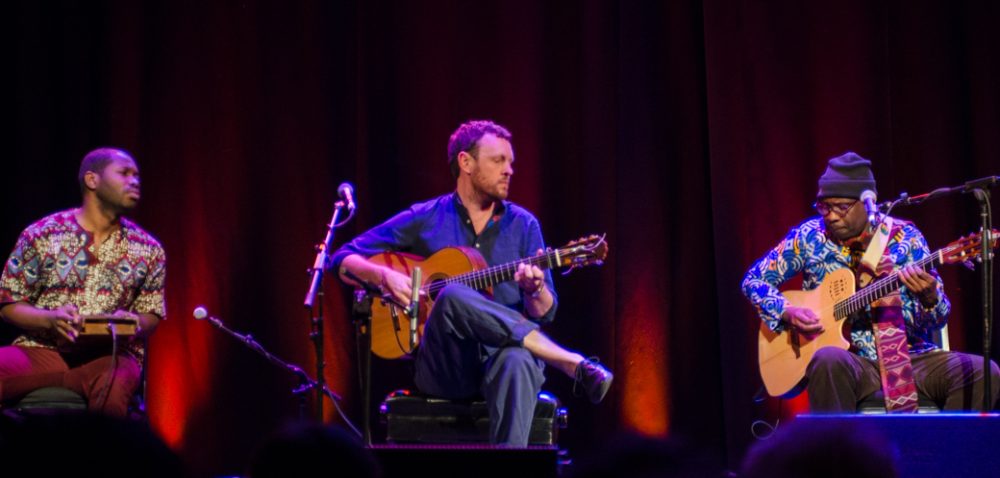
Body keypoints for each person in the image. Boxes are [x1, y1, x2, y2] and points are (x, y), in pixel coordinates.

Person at [331, 120, 613, 446]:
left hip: (503, 361)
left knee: (518, 359)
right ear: (465, 162)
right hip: (445, 368)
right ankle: (570, 362)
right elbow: (343, 259)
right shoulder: (425, 217)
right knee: (451, 294)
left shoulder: (523, 225)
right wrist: (385, 276)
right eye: (498, 161)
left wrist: (534, 291)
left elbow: (545, 311)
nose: (509, 170)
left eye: (511, 162)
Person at [742, 151, 999, 412]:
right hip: (852, 363)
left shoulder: (905, 238)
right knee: (828, 359)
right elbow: (753, 280)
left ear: (868, 204)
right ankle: (838, 453)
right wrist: (787, 311)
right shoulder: (809, 237)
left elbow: (938, 320)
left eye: (841, 207)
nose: (830, 216)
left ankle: (942, 451)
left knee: (984, 372)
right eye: (824, 206)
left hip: (912, 357)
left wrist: (930, 298)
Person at [0, 147, 166, 416]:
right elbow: (9, 304)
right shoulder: (42, 234)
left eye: (137, 175)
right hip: (42, 351)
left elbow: (152, 313)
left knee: (114, 388)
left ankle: (97, 458)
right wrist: (51, 319)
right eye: (124, 173)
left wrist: (134, 323)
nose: (134, 181)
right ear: (92, 180)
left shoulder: (149, 249)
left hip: (111, 358)